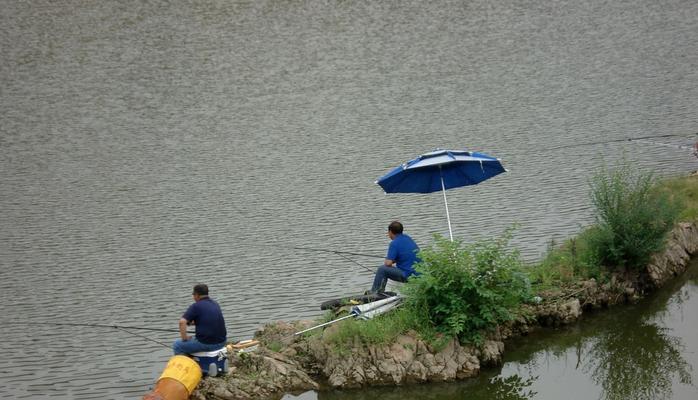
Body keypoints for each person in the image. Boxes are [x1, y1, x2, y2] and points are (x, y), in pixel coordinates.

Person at [172, 284, 227, 355]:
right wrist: (191, 322)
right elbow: (208, 319)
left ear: (197, 295)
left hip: (208, 344)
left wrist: (184, 338)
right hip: (222, 342)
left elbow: (182, 322)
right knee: (194, 340)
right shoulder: (215, 304)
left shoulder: (196, 306)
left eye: (193, 295)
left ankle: (186, 364)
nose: (193, 297)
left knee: (177, 345)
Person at [369, 221, 420, 294]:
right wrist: (395, 259)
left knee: (382, 269)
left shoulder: (394, 243)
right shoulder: (408, 238)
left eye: (388, 232)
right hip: (419, 274)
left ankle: (375, 294)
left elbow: (388, 263)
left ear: (390, 232)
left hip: (408, 275)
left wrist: (390, 260)